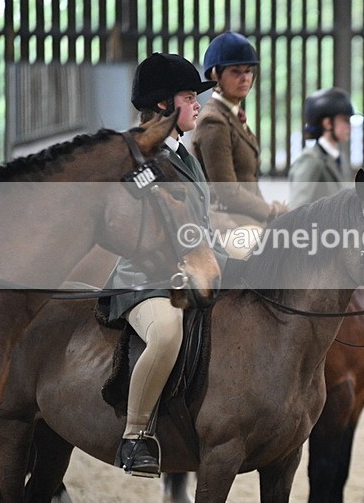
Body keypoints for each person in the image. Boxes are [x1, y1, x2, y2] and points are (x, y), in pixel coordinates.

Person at [108, 52, 227, 476]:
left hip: (192, 268)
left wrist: (233, 252)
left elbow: (199, 227)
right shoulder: (140, 156)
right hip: (145, 278)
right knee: (166, 332)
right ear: (163, 105)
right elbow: (138, 229)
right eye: (190, 96)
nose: (199, 105)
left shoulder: (187, 155)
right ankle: (135, 435)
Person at [193, 32, 286, 258]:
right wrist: (272, 211)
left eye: (248, 71)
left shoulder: (233, 117)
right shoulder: (213, 121)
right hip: (226, 224)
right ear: (215, 75)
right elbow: (228, 193)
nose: (245, 78)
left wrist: (275, 216)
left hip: (248, 221)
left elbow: (250, 184)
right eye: (236, 72)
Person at [288, 87, 356, 209]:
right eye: (345, 120)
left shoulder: (340, 158)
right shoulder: (311, 161)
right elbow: (296, 210)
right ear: (328, 123)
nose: (350, 127)